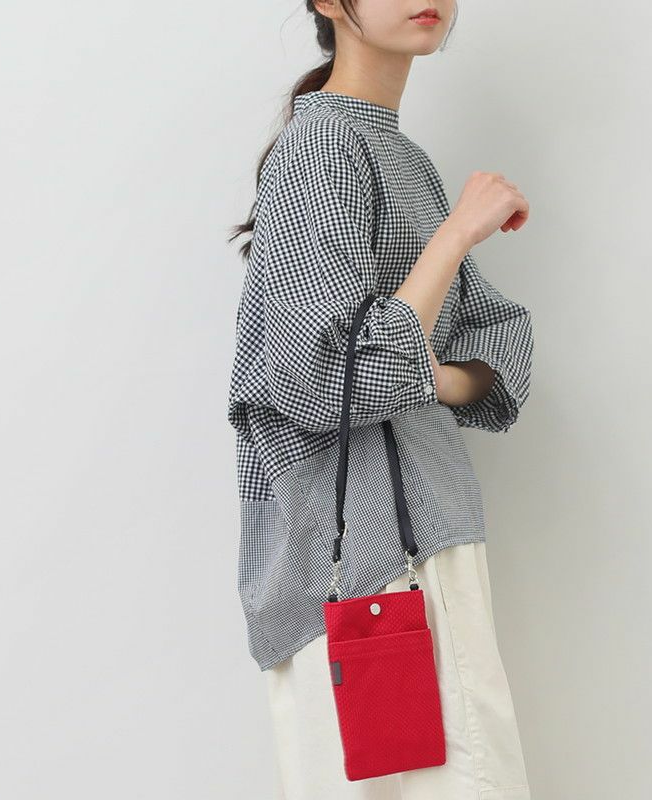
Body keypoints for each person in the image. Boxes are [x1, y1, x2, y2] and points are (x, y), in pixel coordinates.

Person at [226, 1, 533, 797]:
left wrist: (430, 376)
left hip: (431, 534)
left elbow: (496, 335)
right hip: (365, 561)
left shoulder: (401, 156)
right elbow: (324, 377)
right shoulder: (319, 146)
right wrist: (455, 235)